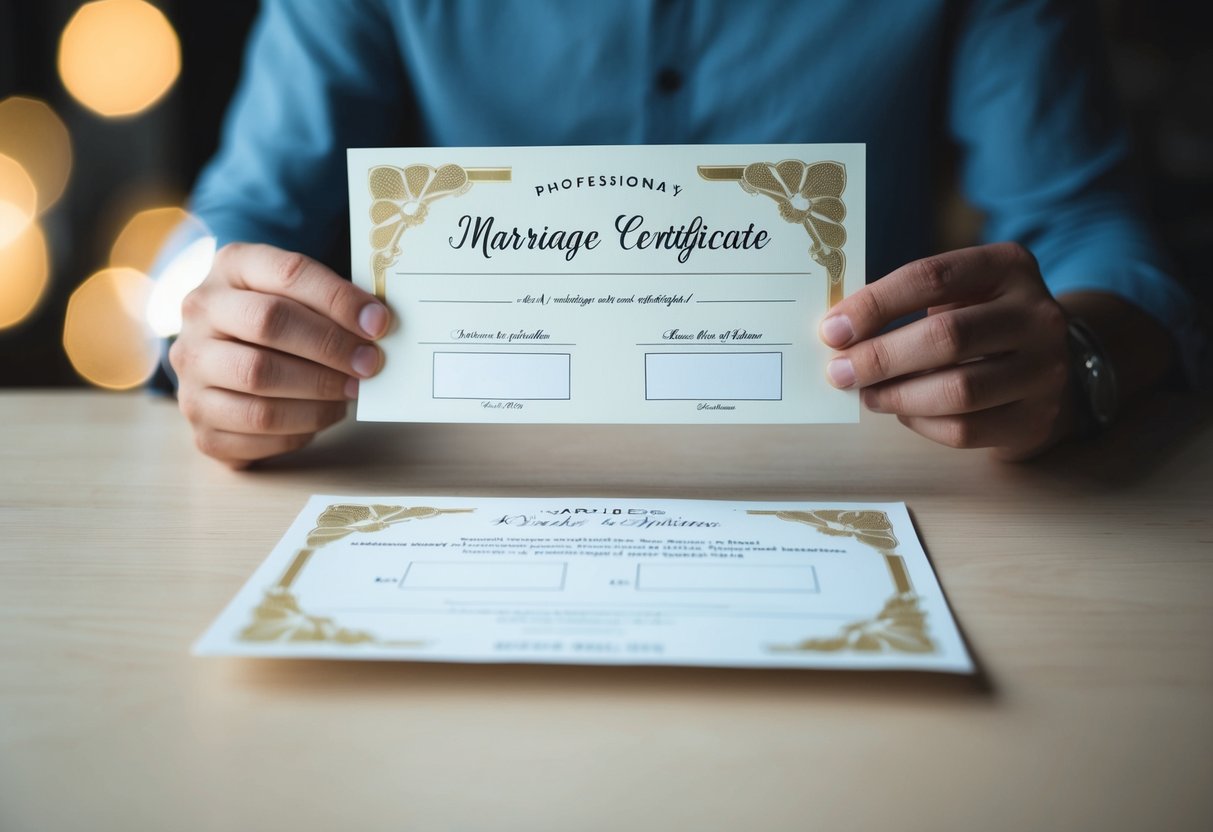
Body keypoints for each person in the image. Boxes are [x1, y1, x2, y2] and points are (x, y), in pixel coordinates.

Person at [166, 0, 1205, 468]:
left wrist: (1078, 356)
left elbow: (1091, 226)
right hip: (456, 486)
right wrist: (205, 335)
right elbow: (232, 228)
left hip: (865, 483)